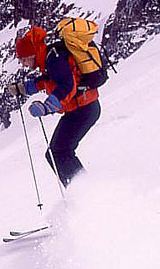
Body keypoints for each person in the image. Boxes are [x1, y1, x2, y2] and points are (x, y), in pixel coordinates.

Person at [8, 26, 101, 187]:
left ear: (32, 54)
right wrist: (24, 88)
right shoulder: (49, 58)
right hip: (81, 109)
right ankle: (81, 190)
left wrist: (46, 107)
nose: (23, 64)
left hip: (83, 110)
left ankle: (86, 191)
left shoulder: (54, 59)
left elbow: (67, 86)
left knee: (59, 152)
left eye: (24, 60)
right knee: (57, 152)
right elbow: (48, 80)